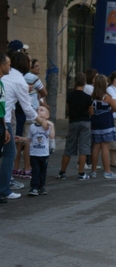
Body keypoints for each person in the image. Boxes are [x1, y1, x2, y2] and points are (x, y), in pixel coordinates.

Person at [2, 52, 43, 199]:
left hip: (5, 117)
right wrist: (41, 120)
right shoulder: (18, 80)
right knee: (9, 153)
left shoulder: (7, 78)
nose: (9, 66)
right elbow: (27, 108)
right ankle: (4, 189)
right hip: (4, 119)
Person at [56, 73, 93, 180]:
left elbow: (68, 109)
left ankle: (62, 172)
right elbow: (91, 112)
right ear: (85, 82)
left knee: (69, 147)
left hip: (73, 122)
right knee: (84, 148)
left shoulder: (70, 96)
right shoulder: (87, 97)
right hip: (85, 122)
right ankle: (81, 173)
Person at [15, 106, 54, 196]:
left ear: (47, 115)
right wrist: (21, 138)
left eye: (41, 110)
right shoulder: (32, 127)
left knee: (43, 171)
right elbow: (29, 139)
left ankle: (41, 187)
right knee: (35, 170)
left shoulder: (47, 127)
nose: (38, 112)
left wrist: (51, 125)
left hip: (44, 154)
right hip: (34, 153)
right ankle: (34, 187)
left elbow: (51, 136)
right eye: (37, 110)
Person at [91, 74, 116, 179]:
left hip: (95, 122)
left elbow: (90, 111)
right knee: (105, 146)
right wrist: (110, 109)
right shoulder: (107, 97)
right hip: (106, 122)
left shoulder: (92, 96)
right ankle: (107, 171)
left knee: (96, 146)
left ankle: (93, 171)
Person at [0, 54, 11, 203]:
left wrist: (5, 127)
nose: (10, 67)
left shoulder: (1, 83)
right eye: (9, 64)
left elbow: (2, 108)